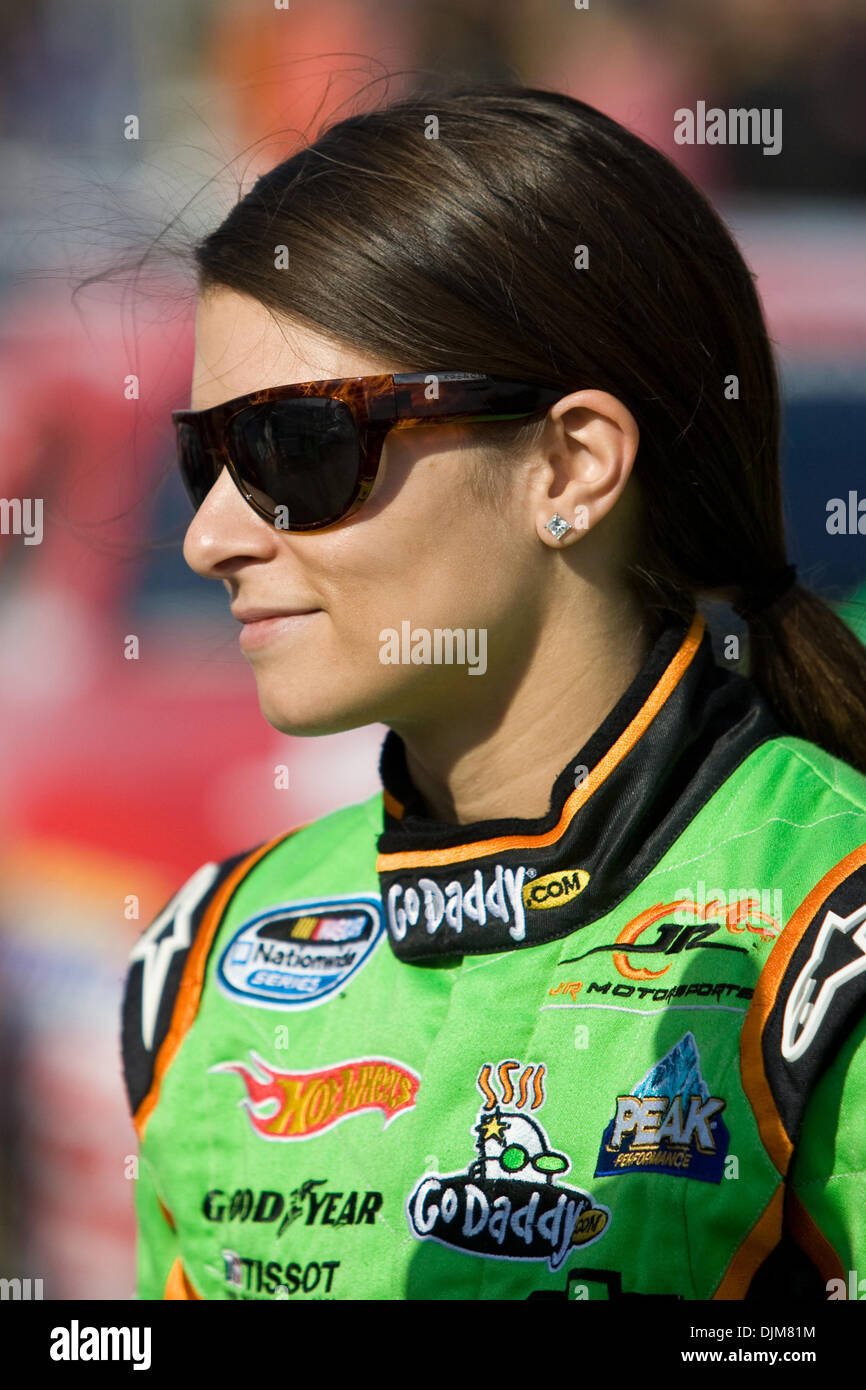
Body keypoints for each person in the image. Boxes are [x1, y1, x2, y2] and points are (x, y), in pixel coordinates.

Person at [121, 84, 866, 1302]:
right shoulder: (205, 954)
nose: (209, 537)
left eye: (294, 448)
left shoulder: (826, 930)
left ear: (569, 465)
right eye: (206, 455)